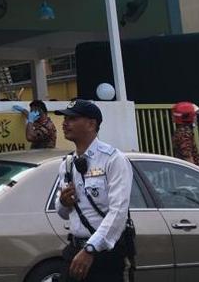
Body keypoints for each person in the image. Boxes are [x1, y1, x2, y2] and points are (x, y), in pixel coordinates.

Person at [55, 100, 134, 282]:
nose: (65, 123)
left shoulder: (113, 160)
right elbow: (62, 213)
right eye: (65, 118)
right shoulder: (67, 164)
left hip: (104, 254)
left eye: (73, 118)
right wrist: (64, 202)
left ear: (91, 124)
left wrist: (91, 249)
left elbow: (118, 212)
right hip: (75, 250)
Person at [171, 101, 199, 166]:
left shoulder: (182, 131)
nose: (196, 117)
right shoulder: (184, 133)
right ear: (189, 117)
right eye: (195, 115)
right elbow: (187, 156)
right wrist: (194, 172)